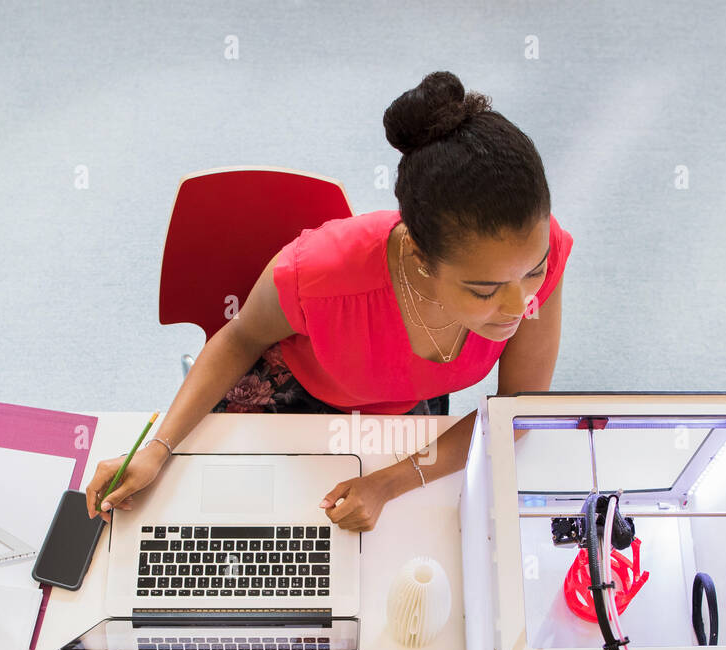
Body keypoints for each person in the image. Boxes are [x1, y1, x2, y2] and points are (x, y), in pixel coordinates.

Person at [85, 70, 573, 531]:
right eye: (484, 290)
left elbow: (516, 410)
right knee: (235, 529)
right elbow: (240, 337)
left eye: (534, 271)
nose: (519, 305)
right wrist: (159, 448)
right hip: (302, 386)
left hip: (402, 409)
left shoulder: (532, 251)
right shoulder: (317, 274)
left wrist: (390, 483)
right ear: (422, 259)